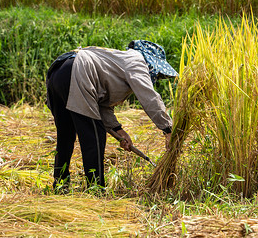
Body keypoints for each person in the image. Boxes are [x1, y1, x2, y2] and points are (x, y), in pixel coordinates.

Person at [46, 40, 177, 192]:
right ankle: (96, 189)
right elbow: (149, 97)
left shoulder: (116, 61)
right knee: (94, 136)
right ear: (152, 61)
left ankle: (60, 186)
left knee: (66, 135)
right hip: (78, 70)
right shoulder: (137, 60)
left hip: (59, 71)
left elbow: (100, 104)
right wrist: (168, 129)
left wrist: (118, 130)